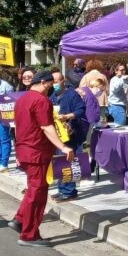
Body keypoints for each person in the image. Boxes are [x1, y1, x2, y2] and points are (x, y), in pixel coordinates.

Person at [8, 70, 75, 247]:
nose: (53, 87)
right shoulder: (41, 100)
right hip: (36, 151)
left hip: (26, 149)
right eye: (52, 83)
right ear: (45, 83)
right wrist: (63, 146)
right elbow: (46, 127)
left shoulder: (23, 98)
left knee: (33, 189)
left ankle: (20, 219)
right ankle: (29, 235)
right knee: (38, 193)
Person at [52, 70, 88, 201]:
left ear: (63, 81)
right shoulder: (52, 96)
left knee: (69, 162)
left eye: (56, 81)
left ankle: (69, 191)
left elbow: (81, 110)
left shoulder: (72, 94)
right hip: (58, 135)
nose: (54, 84)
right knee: (60, 162)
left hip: (72, 134)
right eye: (53, 81)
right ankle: (62, 188)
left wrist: (67, 116)